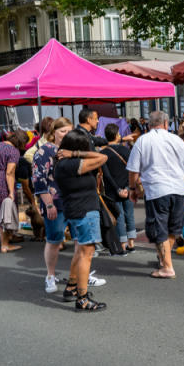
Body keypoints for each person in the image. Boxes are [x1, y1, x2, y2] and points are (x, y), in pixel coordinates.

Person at [33, 117, 102, 293]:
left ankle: (79, 277)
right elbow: (39, 181)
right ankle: (50, 275)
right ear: (53, 132)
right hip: (55, 202)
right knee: (54, 239)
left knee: (81, 242)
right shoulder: (45, 151)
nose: (65, 134)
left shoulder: (74, 150)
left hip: (75, 202)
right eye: (62, 131)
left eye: (68, 131)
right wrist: (49, 205)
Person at [127, 111, 184, 279]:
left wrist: (132, 188)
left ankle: (167, 267)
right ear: (166, 123)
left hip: (157, 190)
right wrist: (183, 182)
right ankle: (165, 258)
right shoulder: (178, 140)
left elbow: (133, 170)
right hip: (178, 189)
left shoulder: (143, 140)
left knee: (159, 227)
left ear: (149, 125)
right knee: (173, 227)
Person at [54, 129, 109, 311]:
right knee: (87, 253)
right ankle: (82, 298)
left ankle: (71, 287)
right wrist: (77, 154)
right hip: (85, 210)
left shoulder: (62, 164)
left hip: (76, 210)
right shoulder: (70, 164)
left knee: (79, 250)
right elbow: (102, 157)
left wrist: (74, 153)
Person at [101, 123, 136, 253]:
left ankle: (122, 245)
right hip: (127, 188)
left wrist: (117, 189)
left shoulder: (103, 153)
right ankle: (131, 244)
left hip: (112, 190)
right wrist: (127, 187)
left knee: (118, 216)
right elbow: (132, 170)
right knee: (130, 215)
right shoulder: (126, 151)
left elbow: (107, 175)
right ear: (117, 135)